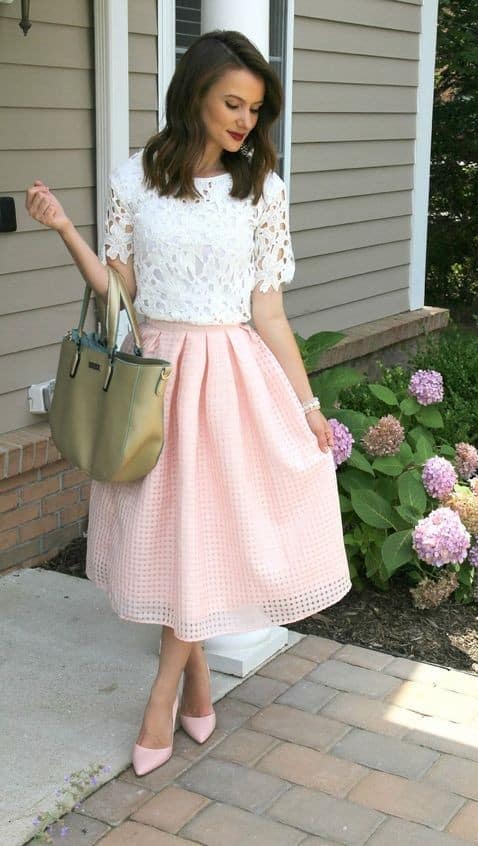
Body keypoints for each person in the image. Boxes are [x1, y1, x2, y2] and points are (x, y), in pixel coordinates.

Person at [25, 30, 352, 776]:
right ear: (195, 96)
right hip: (157, 377)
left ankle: (164, 690)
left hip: (232, 377)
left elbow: (267, 311)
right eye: (231, 103)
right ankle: (199, 684)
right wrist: (67, 231)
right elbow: (119, 297)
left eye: (255, 109)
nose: (244, 121)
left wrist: (306, 407)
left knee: (204, 532)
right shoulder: (135, 179)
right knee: (173, 533)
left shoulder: (261, 188)